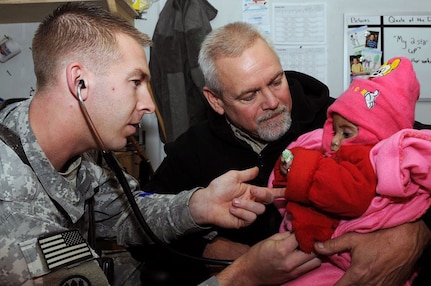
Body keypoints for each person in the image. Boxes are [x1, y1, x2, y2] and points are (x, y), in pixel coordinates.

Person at [0, 3, 321, 285]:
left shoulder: (79, 153)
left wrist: (197, 206)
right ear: (79, 83)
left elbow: (126, 215)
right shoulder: (12, 210)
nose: (150, 105)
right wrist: (245, 275)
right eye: (135, 82)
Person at [142, 21, 431, 286]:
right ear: (215, 100)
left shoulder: (344, 120)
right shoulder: (191, 150)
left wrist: (417, 234)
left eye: (276, 81)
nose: (272, 102)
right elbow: (141, 226)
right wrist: (210, 247)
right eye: (249, 95)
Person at [270, 56, 431, 285]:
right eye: (333, 131)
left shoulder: (374, 158)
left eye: (345, 134)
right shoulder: (323, 145)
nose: (334, 141)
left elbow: (348, 194)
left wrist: (300, 168)